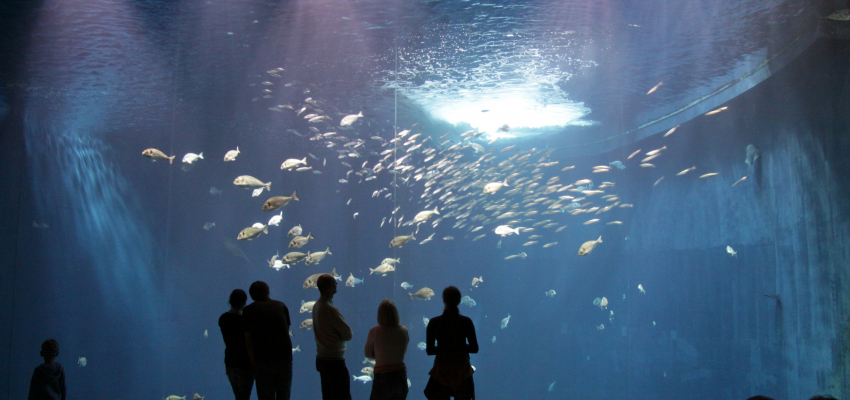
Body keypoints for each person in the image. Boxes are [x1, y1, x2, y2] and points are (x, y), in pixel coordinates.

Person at [424, 286, 479, 400]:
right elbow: (475, 348)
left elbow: (429, 350)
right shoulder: (466, 322)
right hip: (462, 370)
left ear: (444, 300)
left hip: (441, 370)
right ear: (459, 301)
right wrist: (460, 347)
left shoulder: (434, 323)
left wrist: (444, 347)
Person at [242, 281, 293, 400]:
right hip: (284, 359)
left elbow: (248, 338)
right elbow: (286, 329)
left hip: (263, 360)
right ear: (268, 293)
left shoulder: (249, 310)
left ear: (252, 295)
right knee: (284, 395)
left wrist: (253, 361)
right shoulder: (281, 306)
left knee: (265, 396)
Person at [313, 274, 354, 400]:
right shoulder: (329, 309)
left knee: (328, 395)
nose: (337, 285)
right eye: (335, 283)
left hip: (322, 359)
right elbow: (348, 334)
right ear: (330, 288)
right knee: (342, 396)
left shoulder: (316, 305)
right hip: (334, 362)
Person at [365, 299, 409, 400]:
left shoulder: (374, 331)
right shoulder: (404, 330)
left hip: (382, 375)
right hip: (400, 375)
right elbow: (402, 351)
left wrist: (381, 356)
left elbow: (367, 353)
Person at [219, 289, 254, 400]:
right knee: (244, 396)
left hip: (230, 362)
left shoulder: (223, 318)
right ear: (244, 302)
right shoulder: (245, 320)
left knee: (237, 395)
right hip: (245, 363)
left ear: (230, 301)